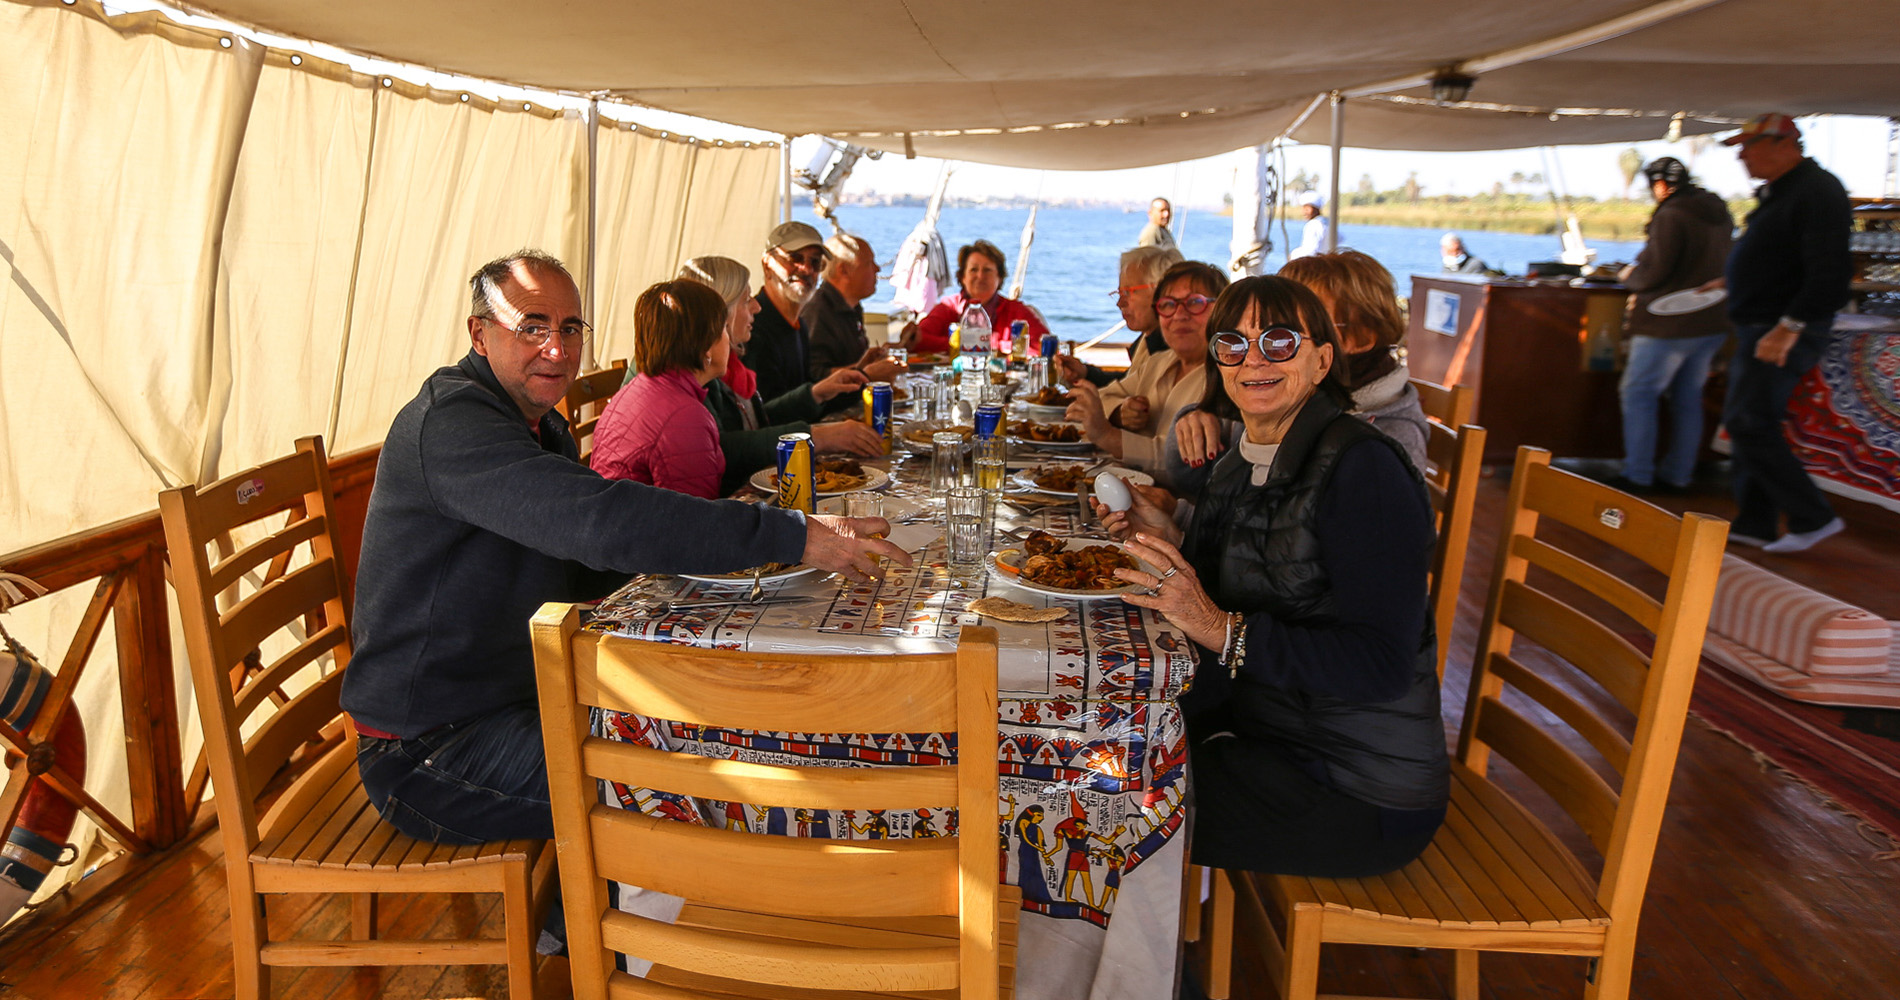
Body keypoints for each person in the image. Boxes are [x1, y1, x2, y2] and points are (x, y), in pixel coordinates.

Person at [343, 249, 908, 849]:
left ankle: (606, 918)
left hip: (520, 696)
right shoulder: (452, 424)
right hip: (429, 750)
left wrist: (710, 585)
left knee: (719, 712)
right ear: (479, 334)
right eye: (531, 326)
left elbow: (583, 559)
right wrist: (793, 536)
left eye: (569, 328)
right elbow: (597, 522)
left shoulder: (530, 421)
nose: (556, 349)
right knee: (688, 773)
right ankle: (625, 938)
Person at [1096, 275, 1445, 878]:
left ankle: (1145, 973)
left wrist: (1219, 629)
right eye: (1232, 343)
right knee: (1084, 754)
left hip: (1356, 789)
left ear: (1321, 360)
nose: (1252, 359)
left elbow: (1381, 664)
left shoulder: (1365, 471)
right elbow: (1245, 581)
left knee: (1093, 806)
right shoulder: (1245, 460)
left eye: (1279, 341)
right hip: (1267, 737)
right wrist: (1164, 531)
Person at [1166, 250, 1430, 495]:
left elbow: (1289, 534)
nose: (1259, 354)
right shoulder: (1284, 396)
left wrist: (1180, 520)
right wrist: (1196, 419)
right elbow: (1198, 483)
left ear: (1364, 335)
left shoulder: (1388, 442)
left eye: (1289, 329)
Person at [1710, 113, 1853, 552]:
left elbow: (1830, 270)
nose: (1741, 155)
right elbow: (1781, 258)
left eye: (1749, 146)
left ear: (1785, 144)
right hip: (1761, 322)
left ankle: (1813, 517)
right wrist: (1731, 280)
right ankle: (1755, 521)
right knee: (1749, 421)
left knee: (1749, 421)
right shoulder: (1784, 193)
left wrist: (1790, 326)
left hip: (1782, 326)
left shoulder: (1817, 191)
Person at [677, 255, 885, 496]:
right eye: (746, 300)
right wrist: (815, 436)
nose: (757, 307)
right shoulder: (694, 369)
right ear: (720, 311)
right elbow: (719, 447)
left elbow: (757, 422)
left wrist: (815, 394)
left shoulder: (729, 363)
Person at [1611, 156, 1735, 494]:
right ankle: (1678, 474)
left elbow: (1655, 270)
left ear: (1660, 185)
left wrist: (1627, 275)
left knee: (1638, 394)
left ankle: (1637, 475)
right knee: (1687, 398)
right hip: (1711, 319)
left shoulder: (1670, 214)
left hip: (1666, 324)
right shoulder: (1718, 210)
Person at [1065, 261, 1228, 484]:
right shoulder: (1159, 362)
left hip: (1179, 510)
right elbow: (1104, 396)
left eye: (1194, 303)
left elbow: (1179, 460)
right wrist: (1119, 413)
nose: (1179, 315)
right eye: (1169, 305)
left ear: (1221, 310)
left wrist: (1107, 435)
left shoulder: (1229, 377)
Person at [589, 280, 732, 498]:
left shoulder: (641, 389)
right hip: (639, 530)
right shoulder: (685, 417)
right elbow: (698, 521)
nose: (728, 339)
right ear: (705, 347)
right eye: (724, 329)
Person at [1054, 244, 1184, 387]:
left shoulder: (1176, 353)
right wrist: (1085, 374)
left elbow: (1135, 394)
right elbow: (1128, 383)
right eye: (1119, 293)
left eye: (1128, 292)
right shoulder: (1147, 341)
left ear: (1162, 291)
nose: (1120, 303)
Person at [907, 239, 1049, 354]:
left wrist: (963, 344)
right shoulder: (949, 307)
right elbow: (917, 340)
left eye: (987, 270)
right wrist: (993, 345)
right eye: (973, 270)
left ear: (999, 277)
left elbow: (1043, 347)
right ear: (963, 277)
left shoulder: (1016, 311)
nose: (980, 276)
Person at [747, 221, 833, 403]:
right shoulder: (752, 328)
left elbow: (804, 393)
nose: (806, 269)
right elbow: (768, 411)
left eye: (815, 262)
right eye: (795, 258)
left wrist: (861, 376)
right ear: (767, 264)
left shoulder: (798, 325)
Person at [802, 233, 904, 383]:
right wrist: (865, 373)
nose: (877, 269)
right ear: (843, 270)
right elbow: (814, 376)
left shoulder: (852, 307)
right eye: (869, 263)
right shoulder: (817, 312)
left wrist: (897, 348)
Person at [1289, 192, 1328, 260]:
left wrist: (1293, 255)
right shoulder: (1326, 222)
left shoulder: (1313, 224)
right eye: (1303, 209)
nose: (1304, 212)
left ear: (1316, 209)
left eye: (1307, 209)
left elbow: (1310, 252)